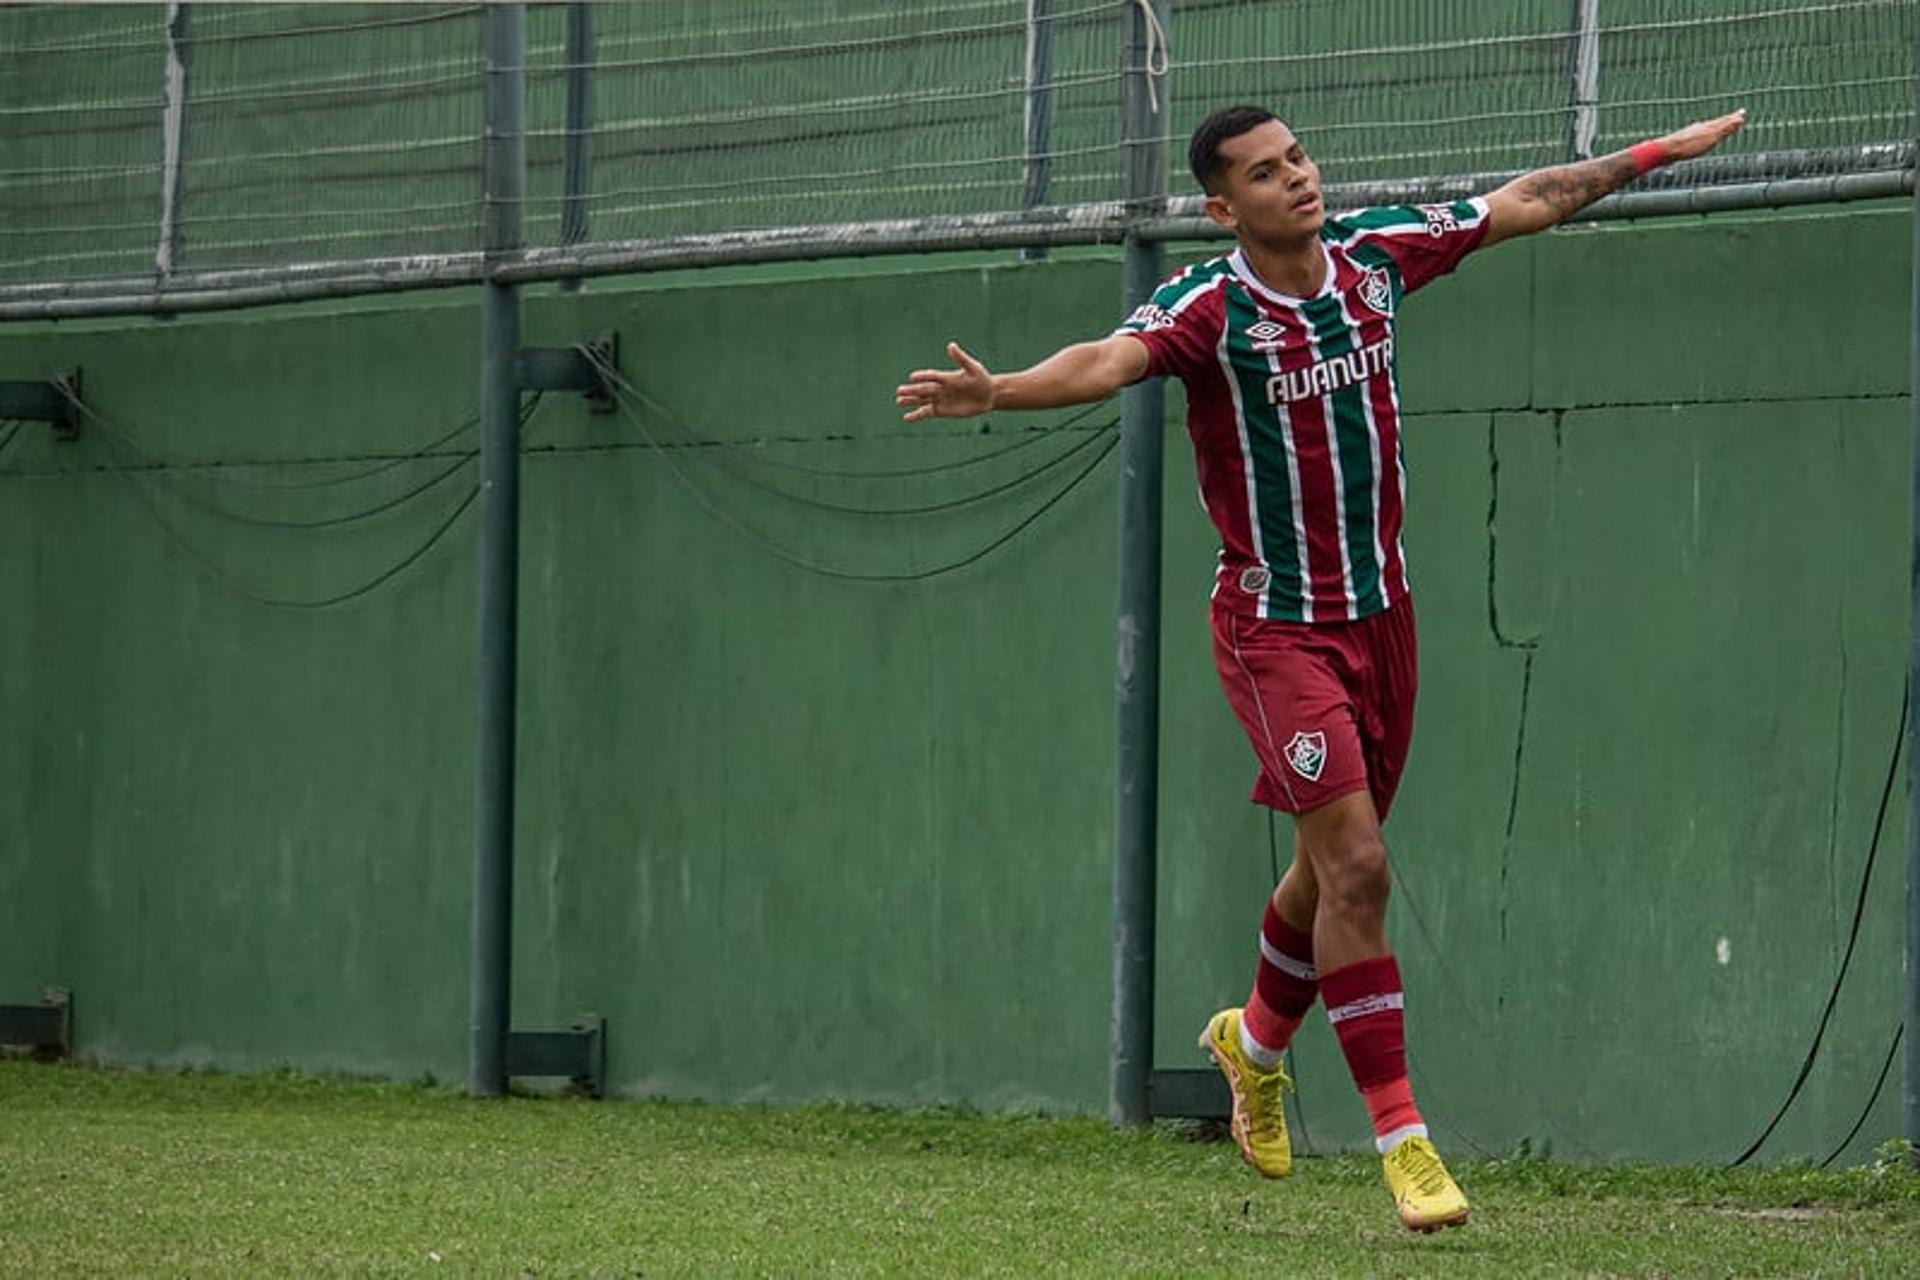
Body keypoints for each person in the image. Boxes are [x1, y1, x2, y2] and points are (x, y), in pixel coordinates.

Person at [896, 103, 1745, 1231]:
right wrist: (1000, 388)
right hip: (1274, 631)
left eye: (1297, 157)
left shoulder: (1376, 258)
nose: (1296, 179)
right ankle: (1406, 1141)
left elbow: (1526, 200)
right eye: (1264, 172)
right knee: (1360, 868)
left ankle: (1250, 1044)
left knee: (1330, 870)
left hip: (1384, 621)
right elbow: (1111, 358)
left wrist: (1648, 155)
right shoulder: (1210, 306)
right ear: (1222, 206)